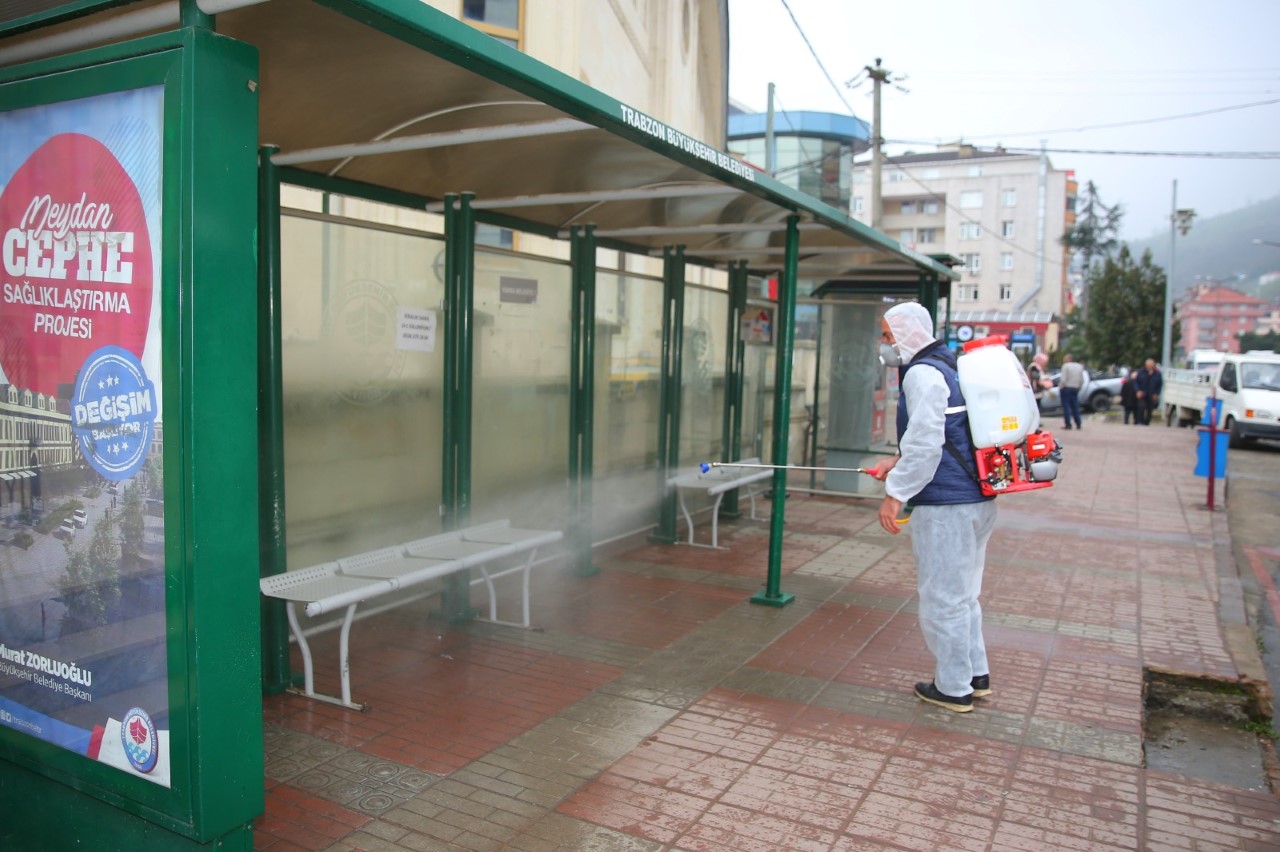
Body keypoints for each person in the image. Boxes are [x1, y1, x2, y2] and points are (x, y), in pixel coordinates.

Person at [868, 302, 997, 713]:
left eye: (888, 336)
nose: (884, 345)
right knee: (964, 595)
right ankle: (975, 674)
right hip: (977, 500)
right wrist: (896, 460)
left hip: (946, 506)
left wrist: (895, 492)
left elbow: (925, 443)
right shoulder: (948, 365)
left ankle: (953, 688)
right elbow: (944, 434)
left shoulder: (922, 374)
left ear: (907, 334)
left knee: (943, 597)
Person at [1133, 358, 1163, 425]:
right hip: (1142, 394)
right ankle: (1140, 422)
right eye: (1148, 364)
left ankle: (1147, 423)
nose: (1149, 366)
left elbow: (1160, 385)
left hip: (1151, 395)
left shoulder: (1157, 373)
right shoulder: (1141, 372)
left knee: (1150, 410)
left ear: (1153, 365)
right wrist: (1138, 391)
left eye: (1151, 364)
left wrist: (1157, 393)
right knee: (1141, 407)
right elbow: (1136, 382)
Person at [1059, 353, 1085, 430]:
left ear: (1068, 359)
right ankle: (1078, 423)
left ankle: (1068, 424)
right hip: (1075, 388)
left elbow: (1063, 379)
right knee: (1075, 406)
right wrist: (1079, 387)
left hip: (1066, 387)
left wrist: (1061, 387)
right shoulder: (1079, 366)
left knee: (1066, 406)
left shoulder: (1065, 366)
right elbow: (1082, 380)